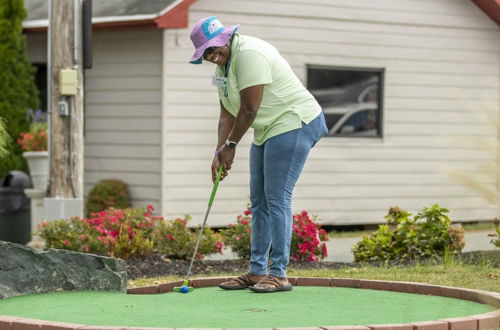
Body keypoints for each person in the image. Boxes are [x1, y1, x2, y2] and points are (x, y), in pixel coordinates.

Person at [189, 16, 328, 293]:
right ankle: (256, 271)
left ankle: (278, 274)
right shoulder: (222, 69)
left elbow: (249, 110)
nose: (212, 57)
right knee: (259, 201)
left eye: (214, 50)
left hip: (295, 121)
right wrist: (219, 151)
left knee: (277, 197)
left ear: (225, 39)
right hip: (268, 128)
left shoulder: (249, 54)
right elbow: (227, 114)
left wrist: (231, 146)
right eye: (206, 54)